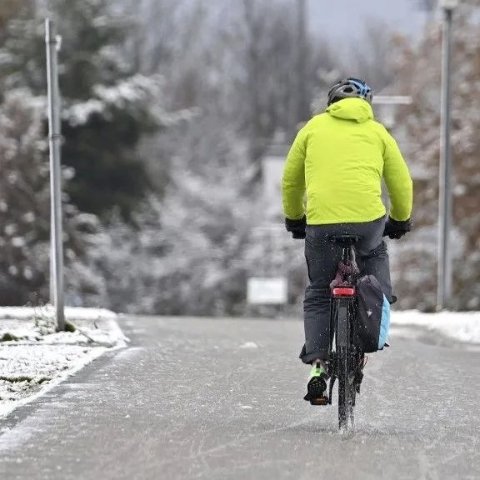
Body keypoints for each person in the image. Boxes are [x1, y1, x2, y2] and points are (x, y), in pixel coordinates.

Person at [281, 78, 413, 402]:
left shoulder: (312, 129)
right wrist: (399, 221)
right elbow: (401, 183)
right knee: (375, 252)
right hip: (368, 221)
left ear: (331, 103)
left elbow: (290, 181)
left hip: (321, 223)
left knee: (318, 291)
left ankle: (317, 364)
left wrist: (295, 218)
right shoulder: (378, 131)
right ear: (367, 104)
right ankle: (379, 298)